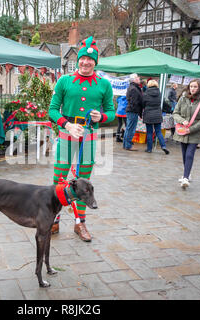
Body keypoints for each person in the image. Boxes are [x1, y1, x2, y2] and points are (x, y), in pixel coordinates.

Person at [48, 36, 115, 241]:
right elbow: (52, 110)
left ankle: (80, 224)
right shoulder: (64, 81)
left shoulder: (104, 84)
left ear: (95, 62)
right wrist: (67, 125)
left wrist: (101, 117)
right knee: (59, 180)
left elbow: (112, 112)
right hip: (67, 135)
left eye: (90, 60)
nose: (86, 62)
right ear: (78, 60)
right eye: (83, 59)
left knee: (84, 183)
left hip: (89, 138)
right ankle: (55, 219)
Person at [172, 78, 200, 189]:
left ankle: (185, 178)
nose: (193, 89)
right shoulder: (183, 98)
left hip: (195, 132)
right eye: (191, 86)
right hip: (182, 131)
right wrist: (182, 121)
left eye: (195, 87)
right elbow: (175, 113)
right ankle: (187, 173)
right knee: (184, 154)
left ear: (199, 88)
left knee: (189, 154)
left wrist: (192, 129)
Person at [142, 80, 170, 154]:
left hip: (148, 114)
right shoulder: (159, 93)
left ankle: (149, 149)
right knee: (158, 132)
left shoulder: (146, 94)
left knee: (149, 132)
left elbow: (143, 104)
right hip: (157, 114)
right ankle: (163, 146)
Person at [123, 73, 143, 151]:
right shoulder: (134, 88)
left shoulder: (133, 87)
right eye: (137, 77)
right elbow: (134, 102)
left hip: (131, 110)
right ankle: (128, 145)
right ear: (134, 79)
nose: (139, 78)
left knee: (128, 128)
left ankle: (126, 145)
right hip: (133, 111)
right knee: (131, 129)